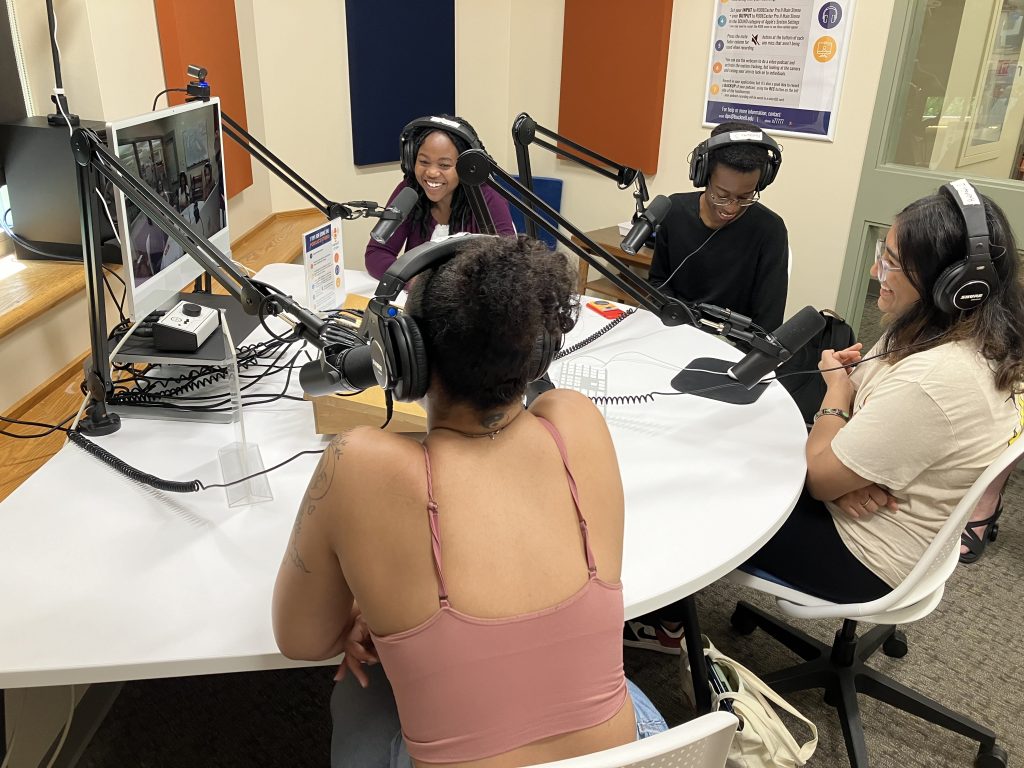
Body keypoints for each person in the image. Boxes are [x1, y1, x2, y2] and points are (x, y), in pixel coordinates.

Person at [274, 236, 666, 767]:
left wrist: (379, 604)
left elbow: (302, 640)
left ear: (402, 358)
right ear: (538, 354)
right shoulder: (577, 421)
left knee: (362, 692)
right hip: (630, 759)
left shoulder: (360, 463)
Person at [626, 182, 1024, 652]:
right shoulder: (955, 331)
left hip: (866, 553)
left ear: (951, 285)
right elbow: (862, 410)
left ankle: (664, 623)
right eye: (884, 253)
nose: (877, 271)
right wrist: (846, 462)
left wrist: (835, 399)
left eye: (893, 263)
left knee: (694, 483)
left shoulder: (935, 377)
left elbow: (820, 474)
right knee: (742, 450)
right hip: (898, 520)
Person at [648, 121, 789, 332]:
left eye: (745, 197)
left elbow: (768, 321)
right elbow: (658, 282)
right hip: (674, 330)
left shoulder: (770, 231)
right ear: (703, 176)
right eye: (722, 195)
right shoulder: (674, 211)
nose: (731, 208)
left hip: (733, 343)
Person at [364, 115, 516, 279]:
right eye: (423, 162)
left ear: (466, 167)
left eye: (444, 165)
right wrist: (413, 282)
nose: (431, 172)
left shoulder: (487, 199)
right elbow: (377, 253)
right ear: (411, 160)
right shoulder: (410, 191)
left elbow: (505, 268)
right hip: (416, 301)